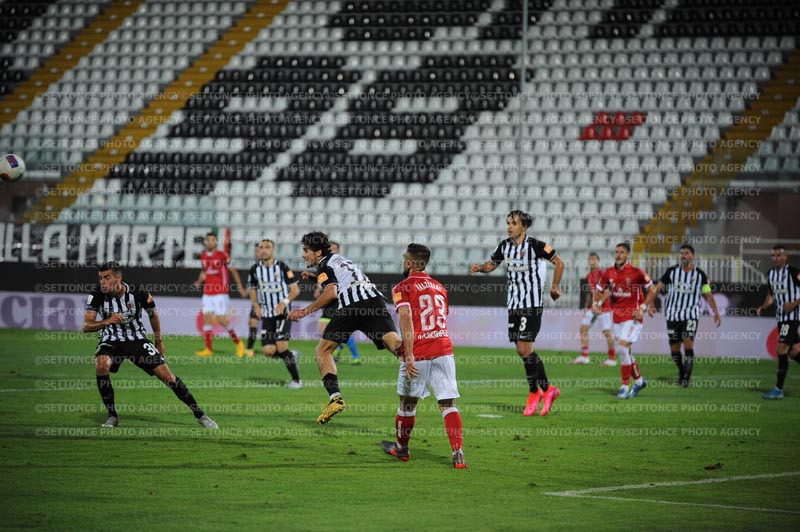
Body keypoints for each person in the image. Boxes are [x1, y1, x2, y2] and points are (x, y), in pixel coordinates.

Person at [84, 262, 218, 429]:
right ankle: (112, 416)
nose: (103, 282)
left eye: (107, 277)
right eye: (100, 278)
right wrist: (107, 321)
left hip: (136, 339)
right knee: (101, 365)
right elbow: (87, 326)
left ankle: (200, 415)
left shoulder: (137, 292)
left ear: (118, 277)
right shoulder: (96, 295)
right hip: (111, 339)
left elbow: (152, 315)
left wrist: (158, 341)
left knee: (168, 377)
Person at [288, 231, 401, 424]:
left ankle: (335, 399)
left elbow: (331, 293)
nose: (303, 255)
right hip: (374, 299)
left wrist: (304, 311)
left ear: (317, 252)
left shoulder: (324, 265)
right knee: (395, 345)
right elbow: (341, 279)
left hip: (352, 305)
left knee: (323, 350)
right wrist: (315, 277)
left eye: (306, 250)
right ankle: (423, 365)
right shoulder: (339, 259)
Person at [469, 210, 564, 417]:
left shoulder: (536, 246)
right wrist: (481, 267)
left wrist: (554, 287)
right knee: (522, 352)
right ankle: (548, 389)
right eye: (508, 223)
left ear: (524, 226)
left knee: (524, 349)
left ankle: (535, 392)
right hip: (514, 306)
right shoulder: (504, 246)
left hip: (532, 305)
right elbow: (492, 264)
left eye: (513, 223)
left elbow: (559, 262)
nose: (509, 226)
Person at [380, 244, 466, 468]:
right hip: (443, 349)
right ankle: (458, 453)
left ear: (409, 263)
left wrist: (408, 354)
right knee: (447, 402)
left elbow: (405, 316)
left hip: (418, 351)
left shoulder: (402, 287)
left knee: (407, 403)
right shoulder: (439, 287)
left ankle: (402, 449)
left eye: (404, 259)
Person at [594, 242, 658, 399]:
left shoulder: (636, 272)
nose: (619, 255)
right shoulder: (609, 272)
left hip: (633, 317)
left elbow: (652, 289)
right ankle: (639, 381)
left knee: (622, 349)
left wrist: (643, 307)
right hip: (617, 318)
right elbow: (599, 290)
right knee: (627, 352)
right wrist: (597, 303)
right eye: (617, 252)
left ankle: (624, 386)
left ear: (628, 255)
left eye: (622, 252)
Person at [655, 244, 721, 387]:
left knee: (688, 343)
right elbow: (658, 287)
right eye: (682, 253)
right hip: (672, 314)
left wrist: (716, 313)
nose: (683, 256)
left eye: (686, 253)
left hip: (691, 314)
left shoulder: (700, 275)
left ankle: (686, 378)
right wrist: (651, 303)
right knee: (674, 350)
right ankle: (682, 370)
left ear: (692, 255)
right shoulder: (672, 271)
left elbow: (708, 295)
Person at [248, 239, 302, 389]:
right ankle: (291, 355)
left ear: (273, 250)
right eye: (261, 247)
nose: (264, 250)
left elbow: (295, 290)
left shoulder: (282, 267)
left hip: (283, 313)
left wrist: (283, 302)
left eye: (267, 247)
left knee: (281, 347)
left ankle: (297, 381)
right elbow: (252, 289)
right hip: (267, 314)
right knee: (268, 351)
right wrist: (256, 306)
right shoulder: (255, 269)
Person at [302, 241, 361, 365]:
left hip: (338, 301)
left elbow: (338, 283)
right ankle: (335, 351)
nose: (331, 250)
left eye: (334, 248)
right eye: (330, 248)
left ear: (338, 251)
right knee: (328, 331)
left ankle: (352, 355)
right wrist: (312, 277)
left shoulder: (339, 265)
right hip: (329, 302)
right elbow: (326, 281)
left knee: (334, 331)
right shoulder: (326, 265)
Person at [193, 232, 247, 357]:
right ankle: (208, 349)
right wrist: (199, 282)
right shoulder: (203, 255)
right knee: (206, 318)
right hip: (207, 292)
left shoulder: (222, 255)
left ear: (216, 242)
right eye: (208, 240)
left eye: (212, 240)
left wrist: (240, 287)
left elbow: (233, 270)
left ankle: (238, 343)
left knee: (221, 319)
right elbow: (205, 272)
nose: (210, 242)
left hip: (220, 293)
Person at [757, 245, 800, 400]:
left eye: (779, 255)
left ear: (785, 256)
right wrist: (764, 306)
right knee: (793, 352)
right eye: (773, 255)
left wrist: (794, 303)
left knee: (781, 349)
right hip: (781, 318)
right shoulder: (771, 274)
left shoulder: (793, 272)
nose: (776, 258)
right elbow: (771, 294)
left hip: (792, 317)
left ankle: (778, 390)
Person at [573, 252, 617, 366]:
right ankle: (584, 357)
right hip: (593, 308)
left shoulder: (603, 274)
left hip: (604, 308)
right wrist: (587, 306)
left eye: (594, 259)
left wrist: (600, 303)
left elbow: (607, 291)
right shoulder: (589, 276)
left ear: (598, 261)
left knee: (607, 332)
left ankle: (612, 359)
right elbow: (590, 293)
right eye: (590, 259)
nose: (592, 261)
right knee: (583, 329)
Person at [245, 242, 260, 358]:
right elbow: (251, 285)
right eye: (255, 251)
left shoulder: (274, 266)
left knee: (273, 327)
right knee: (252, 323)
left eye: (258, 250)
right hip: (257, 301)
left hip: (271, 302)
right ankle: (249, 349)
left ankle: (276, 349)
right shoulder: (254, 268)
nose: (257, 253)